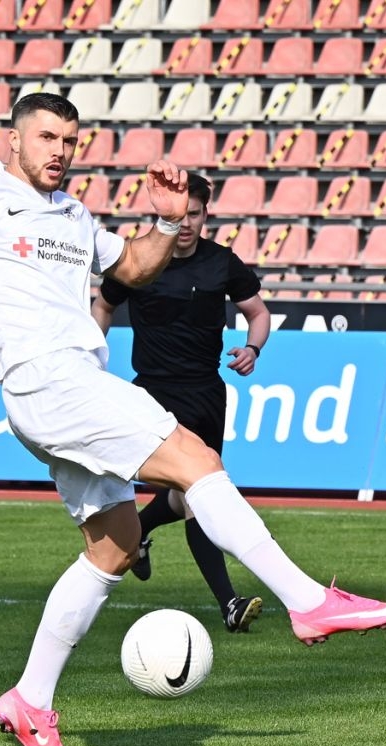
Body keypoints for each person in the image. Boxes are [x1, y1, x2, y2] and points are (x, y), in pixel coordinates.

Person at [0, 92, 386, 746]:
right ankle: (308, 602)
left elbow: (130, 268)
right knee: (197, 460)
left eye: (70, 141)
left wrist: (165, 220)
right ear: (14, 138)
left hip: (67, 382)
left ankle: (30, 699)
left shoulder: (72, 214)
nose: (59, 151)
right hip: (47, 378)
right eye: (46, 137)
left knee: (118, 544)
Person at [91, 173, 272, 635]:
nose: (186, 223)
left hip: (206, 393)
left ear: (206, 215)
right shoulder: (140, 260)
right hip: (152, 393)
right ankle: (229, 603)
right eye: (179, 214)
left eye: (195, 214)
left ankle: (139, 533)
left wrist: (253, 349)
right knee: (197, 494)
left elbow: (258, 312)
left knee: (188, 491)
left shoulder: (221, 262)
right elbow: (104, 305)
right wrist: (90, 357)